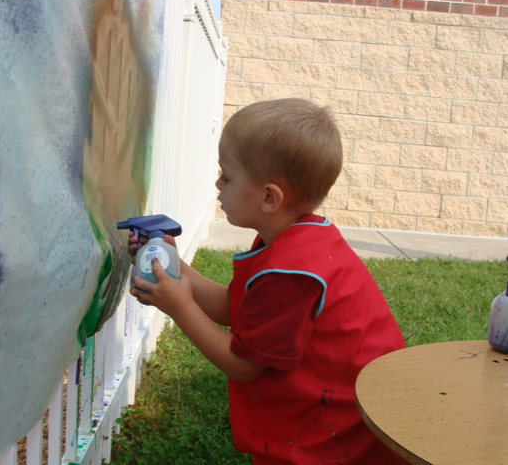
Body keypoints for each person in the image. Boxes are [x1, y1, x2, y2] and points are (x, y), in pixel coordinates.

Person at [129, 98, 405, 465]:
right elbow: (236, 308)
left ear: (269, 197)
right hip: (339, 412)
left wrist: (179, 306)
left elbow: (244, 365)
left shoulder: (292, 273)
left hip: (340, 439)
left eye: (227, 175)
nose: (217, 183)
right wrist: (176, 267)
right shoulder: (296, 238)